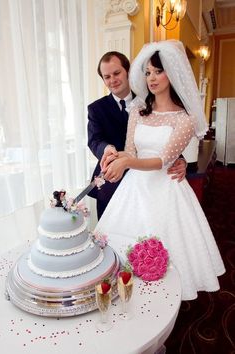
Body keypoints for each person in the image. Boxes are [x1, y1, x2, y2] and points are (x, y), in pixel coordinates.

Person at [95, 40, 225, 301]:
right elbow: (131, 150)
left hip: (166, 187)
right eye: (147, 73)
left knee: (167, 250)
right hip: (134, 188)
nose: (151, 78)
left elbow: (164, 160)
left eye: (158, 71)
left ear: (172, 73)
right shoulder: (137, 111)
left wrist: (128, 162)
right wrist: (116, 157)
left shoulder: (184, 118)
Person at [87, 51, 187, 220]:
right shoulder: (96, 108)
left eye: (117, 73)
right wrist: (107, 149)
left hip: (150, 182)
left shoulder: (151, 101)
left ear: (128, 71)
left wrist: (180, 159)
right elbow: (94, 140)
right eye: (107, 76)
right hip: (111, 179)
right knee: (108, 236)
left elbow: (166, 134)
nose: (112, 80)